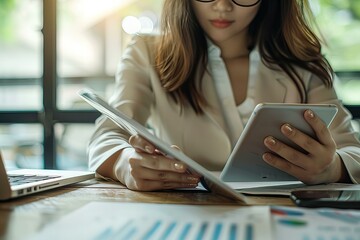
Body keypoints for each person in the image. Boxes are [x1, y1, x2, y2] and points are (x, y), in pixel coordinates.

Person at [87, 0, 360, 191]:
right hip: (185, 213)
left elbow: (354, 151)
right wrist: (124, 163)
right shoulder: (146, 52)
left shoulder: (301, 62)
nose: (222, 5)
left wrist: (331, 168)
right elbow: (108, 135)